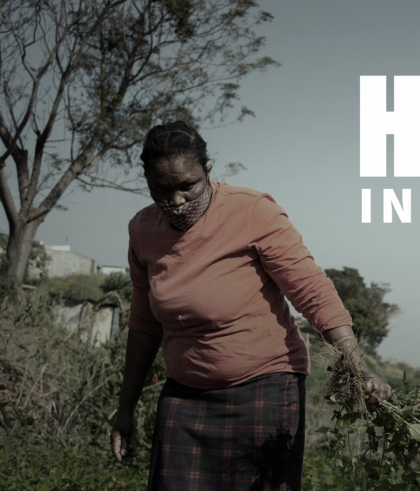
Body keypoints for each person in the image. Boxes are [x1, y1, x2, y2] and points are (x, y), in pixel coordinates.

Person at [109, 121, 392, 490]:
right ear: (146, 181)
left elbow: (311, 291)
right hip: (185, 395)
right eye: (161, 190)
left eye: (187, 186)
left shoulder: (251, 212)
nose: (176, 201)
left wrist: (357, 367)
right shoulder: (142, 229)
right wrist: (125, 408)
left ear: (207, 172)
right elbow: (144, 322)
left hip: (265, 389)